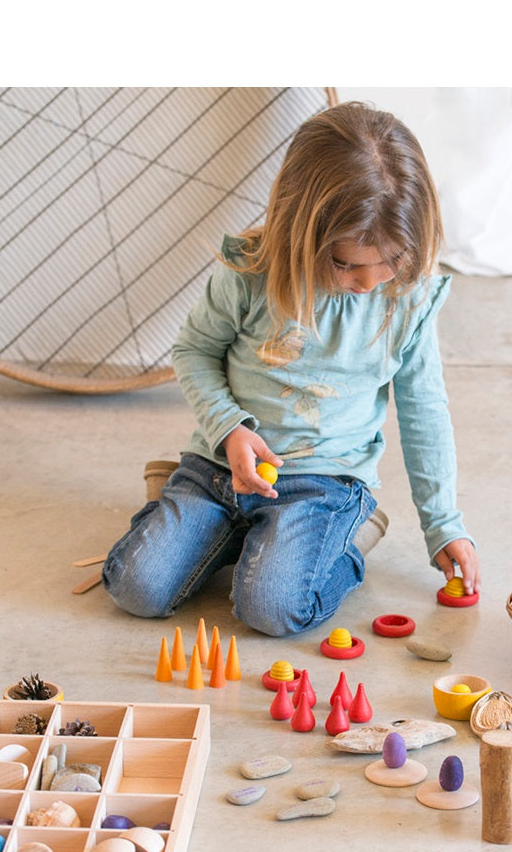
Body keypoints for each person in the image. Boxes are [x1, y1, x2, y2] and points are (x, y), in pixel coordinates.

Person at [102, 101, 477, 636]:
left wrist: (443, 525)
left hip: (324, 480)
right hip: (219, 468)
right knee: (135, 587)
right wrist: (229, 428)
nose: (369, 282)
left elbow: (424, 410)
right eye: (345, 263)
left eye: (390, 260)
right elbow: (193, 351)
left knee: (271, 609)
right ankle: (235, 529)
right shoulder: (251, 270)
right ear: (300, 230)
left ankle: (350, 532)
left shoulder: (408, 298)